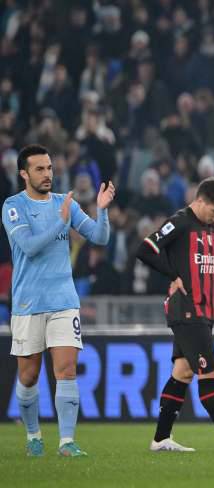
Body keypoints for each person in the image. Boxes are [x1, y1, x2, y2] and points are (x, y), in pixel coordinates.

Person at [2, 144, 113, 457]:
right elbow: (29, 245)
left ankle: (66, 442)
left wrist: (101, 210)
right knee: (29, 376)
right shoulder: (13, 206)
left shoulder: (64, 203)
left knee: (66, 371)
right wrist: (60, 223)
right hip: (27, 302)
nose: (47, 174)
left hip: (64, 299)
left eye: (49, 167)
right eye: (39, 169)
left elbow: (100, 237)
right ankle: (34, 435)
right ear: (24, 173)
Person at [136, 177, 214, 452]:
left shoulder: (210, 228)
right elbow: (146, 249)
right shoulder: (180, 222)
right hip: (187, 310)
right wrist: (173, 275)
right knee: (208, 373)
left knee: (183, 373)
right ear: (200, 201)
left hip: (204, 312)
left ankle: (161, 438)